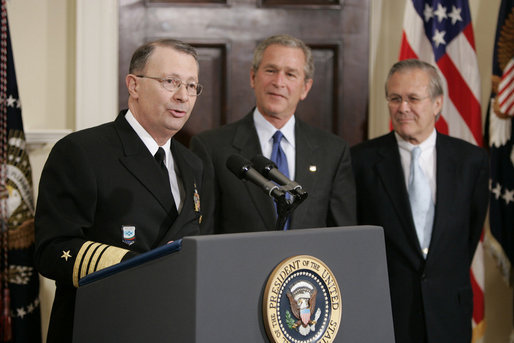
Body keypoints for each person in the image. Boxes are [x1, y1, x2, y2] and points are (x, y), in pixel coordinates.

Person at [34, 38, 205, 343]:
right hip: (105, 325)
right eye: (171, 82)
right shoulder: (82, 152)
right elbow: (52, 250)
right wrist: (134, 267)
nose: (183, 96)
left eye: (192, 86)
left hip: (173, 325)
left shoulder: (193, 164)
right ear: (134, 85)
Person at [351, 59, 489, 343]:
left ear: (437, 103)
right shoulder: (360, 161)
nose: (403, 108)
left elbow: (469, 234)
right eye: (395, 98)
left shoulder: (471, 161)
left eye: (413, 98)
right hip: (387, 310)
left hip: (449, 310)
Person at [191, 34, 356, 234]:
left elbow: (343, 235)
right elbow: (204, 233)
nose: (279, 82)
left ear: (305, 88)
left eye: (290, 74)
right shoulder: (212, 147)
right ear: (253, 77)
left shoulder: (333, 151)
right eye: (271, 70)